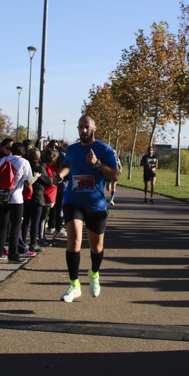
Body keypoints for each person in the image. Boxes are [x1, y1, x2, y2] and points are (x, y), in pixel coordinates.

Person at [57, 115, 119, 302]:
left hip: (95, 204)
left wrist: (97, 163)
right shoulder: (73, 149)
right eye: (80, 127)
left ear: (94, 128)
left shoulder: (104, 149)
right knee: (74, 241)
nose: (83, 130)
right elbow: (68, 165)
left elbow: (115, 175)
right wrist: (60, 174)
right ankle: (74, 284)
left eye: (87, 127)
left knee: (96, 247)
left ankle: (94, 273)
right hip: (73, 201)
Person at [0, 142, 34, 263]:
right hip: (16, 197)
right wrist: (36, 177)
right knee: (15, 226)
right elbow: (28, 182)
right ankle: (13, 254)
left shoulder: (4, 159)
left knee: (1, 225)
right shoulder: (24, 162)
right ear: (23, 152)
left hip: (1, 196)